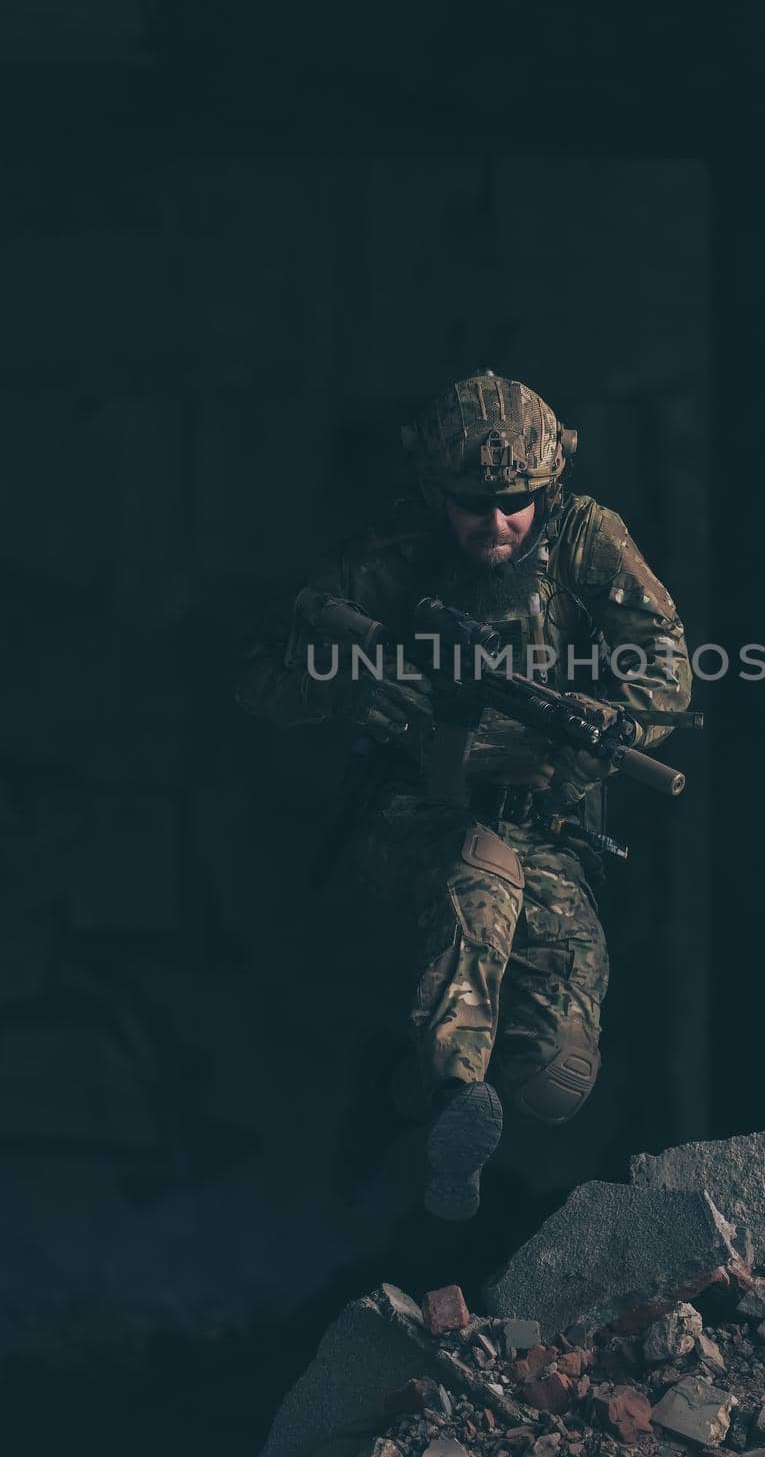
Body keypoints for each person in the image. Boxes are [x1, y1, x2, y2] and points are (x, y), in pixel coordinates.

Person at [236, 371, 692, 1219]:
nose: (497, 523)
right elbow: (260, 681)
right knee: (479, 874)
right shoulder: (386, 562)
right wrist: (350, 684)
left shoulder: (584, 537)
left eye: (518, 501)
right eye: (473, 504)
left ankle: (405, 1090)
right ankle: (451, 1113)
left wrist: (610, 720)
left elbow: (666, 667)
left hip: (546, 821)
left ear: (548, 486)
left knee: (554, 1079)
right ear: (433, 491)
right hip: (418, 816)